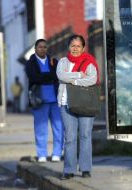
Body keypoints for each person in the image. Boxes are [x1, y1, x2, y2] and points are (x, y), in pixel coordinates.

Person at [56, 34, 99, 180]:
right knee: (70, 138)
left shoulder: (89, 62)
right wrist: (81, 75)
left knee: (85, 136)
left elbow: (92, 79)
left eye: (78, 46)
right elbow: (61, 76)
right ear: (68, 47)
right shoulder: (62, 61)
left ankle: (86, 168)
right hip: (66, 103)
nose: (75, 49)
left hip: (85, 104)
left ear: (83, 48)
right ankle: (69, 170)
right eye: (72, 46)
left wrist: (74, 81)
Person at [25, 39, 64, 163]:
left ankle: (57, 153)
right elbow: (33, 77)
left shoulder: (53, 61)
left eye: (45, 47)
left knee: (59, 127)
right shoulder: (31, 63)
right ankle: (42, 154)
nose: (43, 49)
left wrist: (44, 77)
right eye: (40, 47)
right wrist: (49, 76)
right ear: (35, 49)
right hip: (39, 101)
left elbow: (58, 75)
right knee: (41, 128)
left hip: (55, 100)